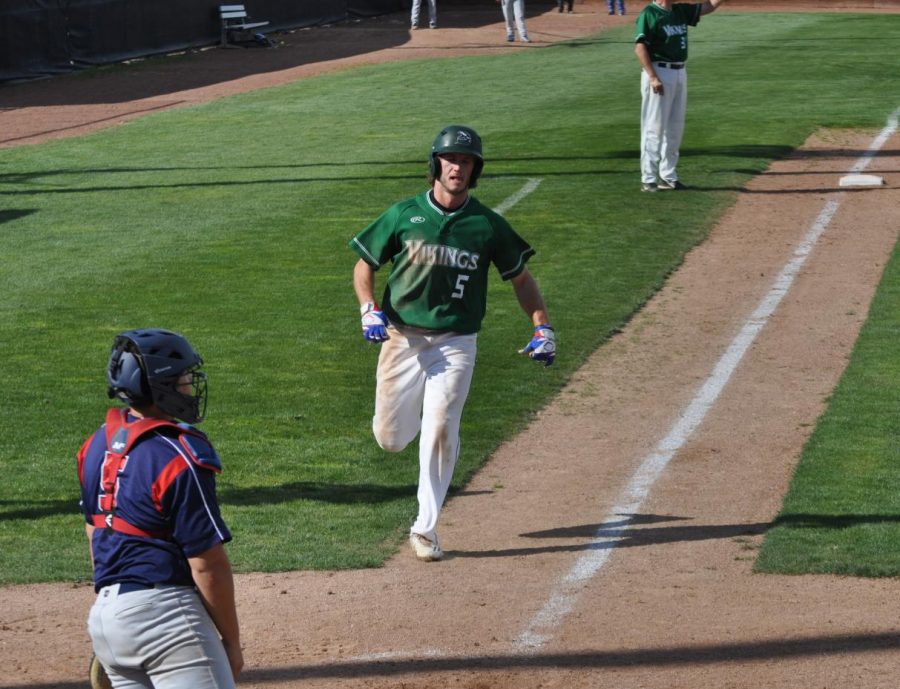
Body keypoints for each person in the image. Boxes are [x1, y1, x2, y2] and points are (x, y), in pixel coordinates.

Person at [349, 124, 556, 562]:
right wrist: (369, 308)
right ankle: (422, 427)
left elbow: (520, 278)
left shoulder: (487, 225)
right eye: (450, 159)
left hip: (457, 341)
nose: (457, 167)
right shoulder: (405, 214)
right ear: (435, 165)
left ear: (474, 169)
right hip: (401, 336)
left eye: (465, 161)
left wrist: (542, 325)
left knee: (442, 425)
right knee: (390, 438)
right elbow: (363, 264)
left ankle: (425, 527)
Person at [77, 328, 243, 688]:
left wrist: (118, 619)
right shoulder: (179, 455)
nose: (189, 385)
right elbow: (207, 563)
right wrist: (230, 642)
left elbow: (96, 531)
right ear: (161, 385)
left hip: (106, 621)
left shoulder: (94, 447)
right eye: (183, 377)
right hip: (165, 622)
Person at [634, 0, 727, 192]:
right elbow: (640, 48)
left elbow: (709, 6)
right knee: (654, 128)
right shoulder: (650, 13)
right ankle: (648, 178)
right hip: (659, 72)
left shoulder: (680, 10)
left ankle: (668, 176)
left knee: (675, 128)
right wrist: (653, 77)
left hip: (679, 72)